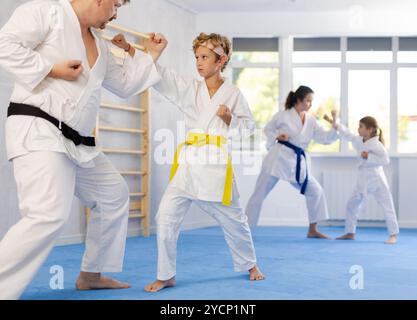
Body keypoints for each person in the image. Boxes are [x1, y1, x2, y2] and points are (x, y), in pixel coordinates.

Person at [0, 0, 166, 299]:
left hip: (78, 141)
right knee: (47, 213)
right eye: (115, 5)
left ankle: (91, 274)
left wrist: (150, 55)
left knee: (113, 194)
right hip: (40, 129)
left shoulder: (100, 44)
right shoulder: (46, 12)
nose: (116, 13)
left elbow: (126, 85)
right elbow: (5, 45)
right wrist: (51, 69)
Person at [112, 32, 265, 292]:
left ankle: (250, 264)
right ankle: (166, 274)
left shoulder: (234, 94)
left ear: (221, 60)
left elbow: (249, 131)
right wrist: (129, 49)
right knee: (166, 216)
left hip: (215, 166)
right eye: (196, 57)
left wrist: (230, 120)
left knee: (234, 219)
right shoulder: (190, 88)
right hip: (188, 165)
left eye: (205, 57)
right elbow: (160, 75)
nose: (199, 62)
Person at [245, 86, 339, 239]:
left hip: (296, 163)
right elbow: (267, 130)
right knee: (258, 195)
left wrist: (334, 129)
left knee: (315, 191)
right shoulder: (282, 116)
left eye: (311, 101)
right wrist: (277, 135)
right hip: (277, 159)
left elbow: (324, 138)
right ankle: (245, 230)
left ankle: (313, 229)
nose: (310, 104)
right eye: (308, 100)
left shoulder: (311, 121)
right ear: (299, 100)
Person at [323, 113, 399, 244]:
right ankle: (350, 232)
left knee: (387, 205)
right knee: (351, 205)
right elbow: (347, 134)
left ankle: (393, 235)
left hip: (376, 179)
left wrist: (367, 157)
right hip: (363, 179)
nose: (358, 129)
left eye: (361, 126)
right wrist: (334, 122)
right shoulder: (359, 140)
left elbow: (385, 160)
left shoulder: (377, 145)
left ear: (369, 130)